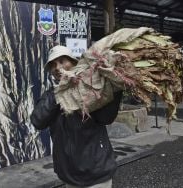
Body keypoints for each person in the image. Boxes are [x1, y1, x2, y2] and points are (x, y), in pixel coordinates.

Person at [31, 45, 123, 188]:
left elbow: (106, 118)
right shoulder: (51, 95)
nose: (57, 67)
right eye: (53, 65)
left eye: (62, 61)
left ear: (74, 63)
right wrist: (59, 93)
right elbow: (38, 120)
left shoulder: (89, 88)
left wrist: (115, 88)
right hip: (69, 174)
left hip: (96, 172)